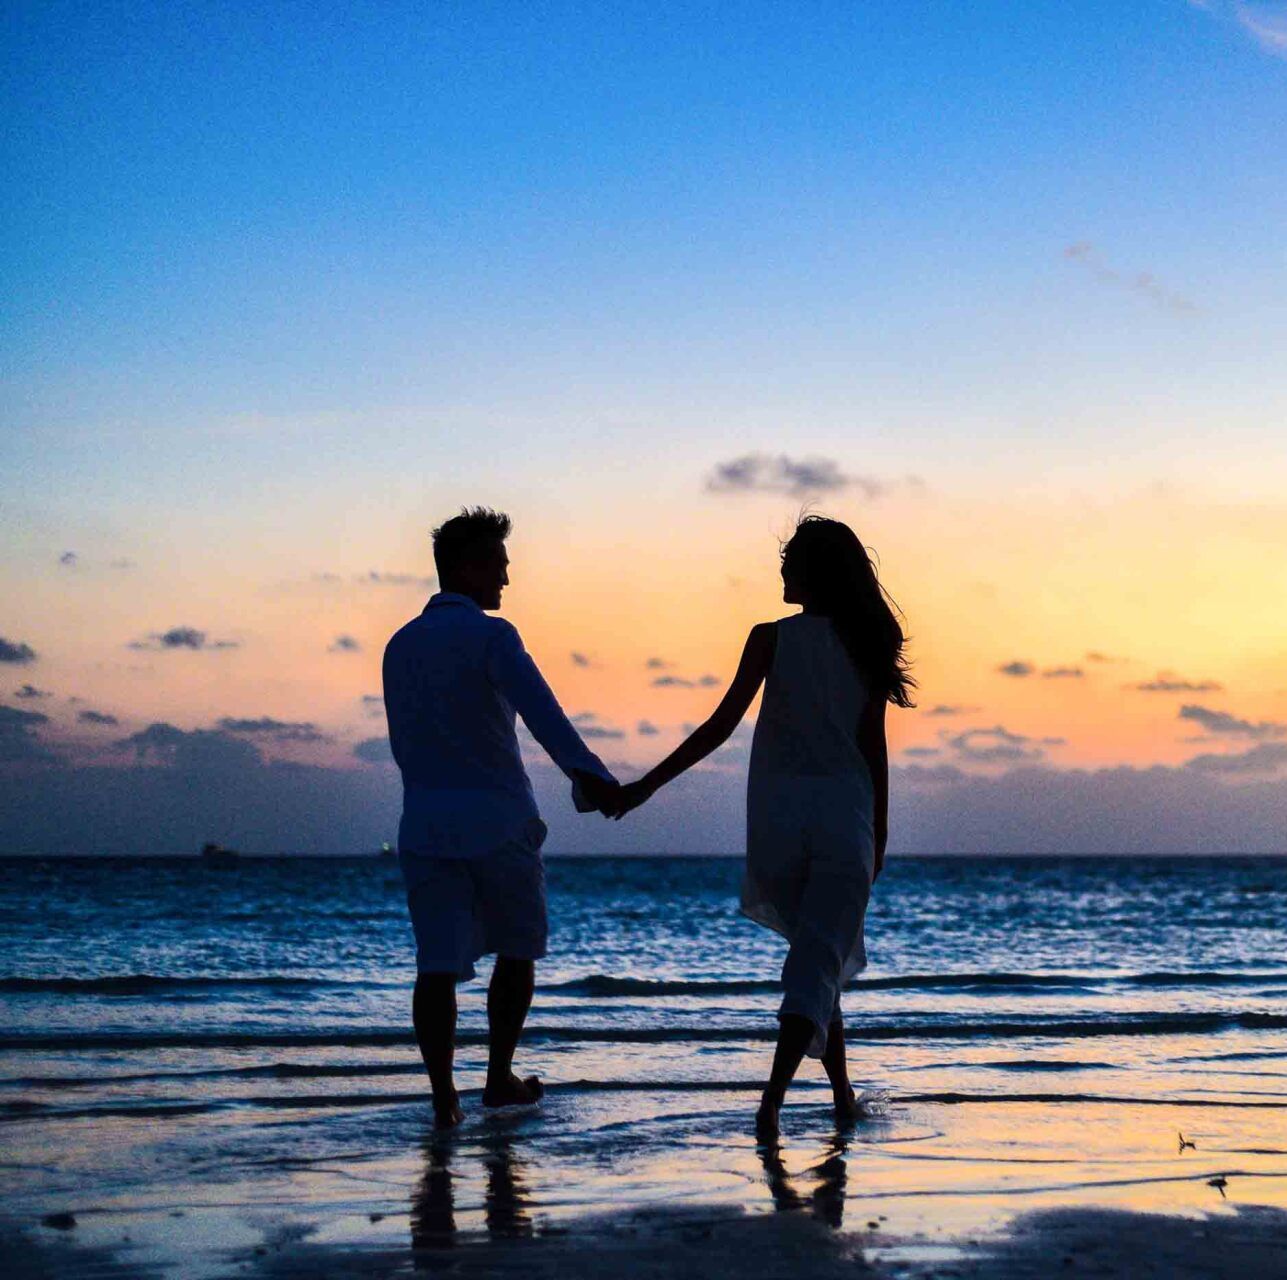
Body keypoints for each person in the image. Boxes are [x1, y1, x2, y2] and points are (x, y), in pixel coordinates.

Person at [612, 515, 913, 1138]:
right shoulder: (864, 643)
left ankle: (842, 1097)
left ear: (815, 572)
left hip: (779, 828)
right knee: (816, 965)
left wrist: (645, 786)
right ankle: (771, 1105)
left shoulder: (769, 638)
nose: (780, 569)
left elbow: (719, 727)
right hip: (844, 823)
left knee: (819, 960)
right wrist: (880, 835)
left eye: (789, 560)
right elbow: (872, 748)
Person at [383, 507, 619, 1129]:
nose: (506, 581)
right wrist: (592, 779)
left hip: (426, 823)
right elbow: (543, 714)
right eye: (500, 566)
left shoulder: (399, 645)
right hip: (497, 819)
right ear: (468, 566)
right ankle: (496, 1077)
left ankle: (443, 1099)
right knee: (517, 950)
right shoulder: (493, 636)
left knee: (436, 965)